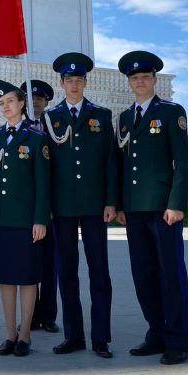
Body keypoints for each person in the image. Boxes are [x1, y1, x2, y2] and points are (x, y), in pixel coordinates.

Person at [115, 51, 188, 365]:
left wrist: (176, 204)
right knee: (143, 274)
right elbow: (121, 165)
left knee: (170, 274)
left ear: (154, 80)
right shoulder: (123, 118)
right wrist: (120, 204)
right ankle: (155, 333)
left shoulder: (172, 112)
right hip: (134, 209)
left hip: (163, 210)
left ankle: (177, 339)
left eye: (145, 77)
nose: (140, 82)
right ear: (130, 83)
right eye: (135, 78)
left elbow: (180, 162)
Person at [41, 54, 115, 359]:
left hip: (96, 205)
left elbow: (110, 161)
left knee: (99, 271)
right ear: (61, 84)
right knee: (66, 272)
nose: (74, 84)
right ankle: (73, 335)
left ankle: (101, 338)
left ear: (85, 82)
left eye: (79, 80)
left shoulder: (101, 115)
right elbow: (45, 166)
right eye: (69, 80)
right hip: (62, 207)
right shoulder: (50, 117)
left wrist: (111, 200)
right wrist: (46, 206)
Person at [0, 80, 50, 358]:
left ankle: (25, 335)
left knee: (27, 278)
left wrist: (40, 219)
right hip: (0, 219)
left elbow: (43, 183)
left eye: (10, 101)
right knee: (6, 278)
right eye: (1, 103)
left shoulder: (36, 138)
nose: (5, 106)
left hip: (26, 220)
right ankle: (9, 333)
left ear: (22, 103)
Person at [20, 79, 60, 335]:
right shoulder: (19, 129)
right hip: (24, 208)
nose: (35, 102)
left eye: (40, 99)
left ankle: (48, 316)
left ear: (46, 103)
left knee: (49, 264)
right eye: (31, 98)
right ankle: (28, 316)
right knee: (27, 264)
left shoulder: (54, 127)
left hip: (50, 208)